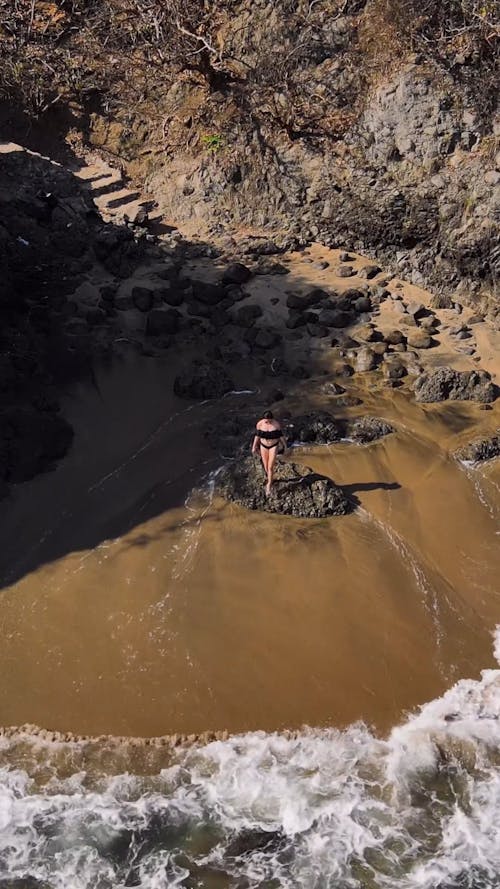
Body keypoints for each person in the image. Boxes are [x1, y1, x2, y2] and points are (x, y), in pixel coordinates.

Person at [252, 410, 286, 496]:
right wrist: (254, 447)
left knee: (270, 467)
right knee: (266, 466)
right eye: (266, 420)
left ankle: (269, 485)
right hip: (263, 446)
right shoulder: (260, 424)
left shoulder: (276, 424)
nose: (268, 422)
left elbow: (281, 436)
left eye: (269, 421)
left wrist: (285, 446)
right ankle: (271, 478)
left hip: (273, 446)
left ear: (272, 419)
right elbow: (257, 436)